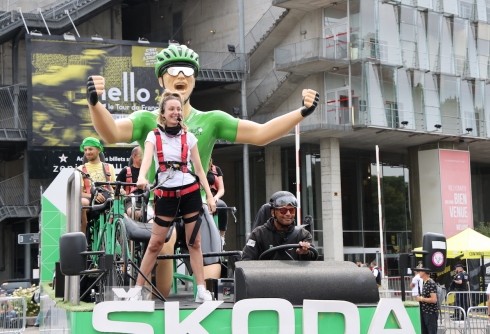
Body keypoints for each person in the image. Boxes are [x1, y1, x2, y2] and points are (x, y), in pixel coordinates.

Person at [86, 44, 319, 287]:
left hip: (194, 202)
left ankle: (203, 294)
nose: (180, 76)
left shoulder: (211, 120)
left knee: (210, 274)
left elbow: (261, 134)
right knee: (163, 252)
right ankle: (153, 298)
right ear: (160, 79)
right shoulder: (147, 120)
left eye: (187, 71)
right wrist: (95, 103)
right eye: (174, 70)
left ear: (194, 80)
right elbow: (111, 133)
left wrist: (301, 112)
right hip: (160, 201)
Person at [135, 90, 216, 303]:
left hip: (190, 192)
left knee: (194, 242)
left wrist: (209, 196)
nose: (176, 112)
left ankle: (201, 289)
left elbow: (199, 170)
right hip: (165, 195)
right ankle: (137, 289)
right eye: (171, 108)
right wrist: (142, 177)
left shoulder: (189, 137)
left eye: (178, 109)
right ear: (162, 113)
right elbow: (146, 162)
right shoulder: (153, 136)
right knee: (155, 244)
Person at [241, 191, 316, 261]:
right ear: (273, 212)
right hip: (265, 274)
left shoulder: (303, 235)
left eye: (291, 210)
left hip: (294, 275)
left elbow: (313, 261)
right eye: (283, 210)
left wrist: (305, 253)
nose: (288, 214)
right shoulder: (258, 234)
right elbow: (246, 260)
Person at [77, 137, 116, 233]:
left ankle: (122, 241)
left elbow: (114, 188)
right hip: (90, 199)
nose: (87, 152)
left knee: (123, 210)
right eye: (85, 150)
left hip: (107, 198)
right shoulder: (80, 168)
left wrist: (121, 191)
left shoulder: (109, 167)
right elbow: (79, 193)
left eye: (90, 149)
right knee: (82, 203)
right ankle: (83, 239)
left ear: (98, 149)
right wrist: (94, 195)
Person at [116, 146, 144, 220]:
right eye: (142, 155)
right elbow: (115, 186)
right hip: (133, 200)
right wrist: (120, 190)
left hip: (149, 200)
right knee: (135, 212)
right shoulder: (126, 171)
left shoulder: (150, 172)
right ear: (134, 156)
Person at [207, 158, 228, 241]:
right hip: (198, 196)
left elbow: (221, 189)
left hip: (213, 196)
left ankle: (222, 237)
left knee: (222, 206)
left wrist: (216, 197)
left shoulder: (216, 169)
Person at [417, 269, 438, 334]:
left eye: (420, 271)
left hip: (430, 312)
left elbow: (434, 299)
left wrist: (422, 299)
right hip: (425, 312)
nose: (419, 273)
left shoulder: (430, 283)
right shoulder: (425, 283)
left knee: (431, 331)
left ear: (424, 272)